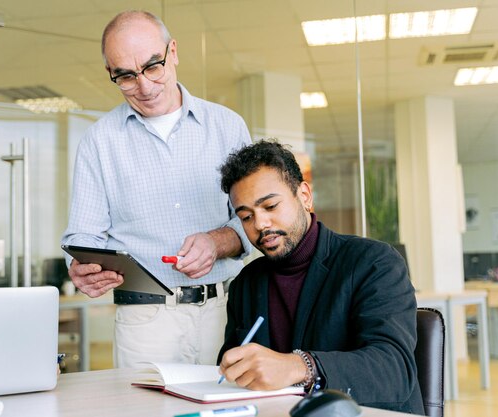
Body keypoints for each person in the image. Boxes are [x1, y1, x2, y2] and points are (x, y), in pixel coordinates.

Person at [61, 10, 252, 368]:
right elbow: (82, 236)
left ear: (173, 52)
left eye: (153, 66)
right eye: (126, 76)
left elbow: (252, 223)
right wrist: (79, 266)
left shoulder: (228, 127)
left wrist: (217, 241)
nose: (145, 87)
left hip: (226, 312)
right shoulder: (98, 142)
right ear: (111, 74)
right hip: (144, 324)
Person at [216, 139, 424, 415]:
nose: (260, 224)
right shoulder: (246, 282)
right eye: (246, 217)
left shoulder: (373, 262)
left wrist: (299, 366)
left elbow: (393, 370)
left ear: (304, 196)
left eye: (270, 207)